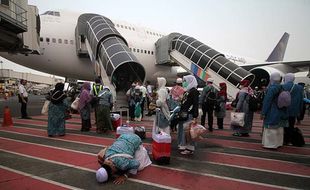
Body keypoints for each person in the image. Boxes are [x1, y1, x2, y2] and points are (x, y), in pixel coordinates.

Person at [261, 72, 288, 149]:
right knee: (279, 128)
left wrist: (263, 112)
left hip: (272, 110)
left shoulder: (272, 88)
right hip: (281, 110)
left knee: (270, 128)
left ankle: (270, 144)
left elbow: (267, 101)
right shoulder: (282, 87)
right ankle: (278, 143)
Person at [178, 75, 199, 155]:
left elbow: (195, 104)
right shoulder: (188, 91)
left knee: (189, 132)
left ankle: (190, 148)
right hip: (185, 113)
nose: (184, 83)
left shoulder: (194, 91)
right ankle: (187, 147)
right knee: (187, 131)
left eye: (185, 81)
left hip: (190, 114)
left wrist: (195, 116)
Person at [282, 73, 303, 145]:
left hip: (283, 109)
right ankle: (289, 140)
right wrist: (299, 112)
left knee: (282, 125)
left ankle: (283, 139)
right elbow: (301, 100)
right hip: (294, 111)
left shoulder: (282, 86)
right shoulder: (299, 88)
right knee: (291, 125)